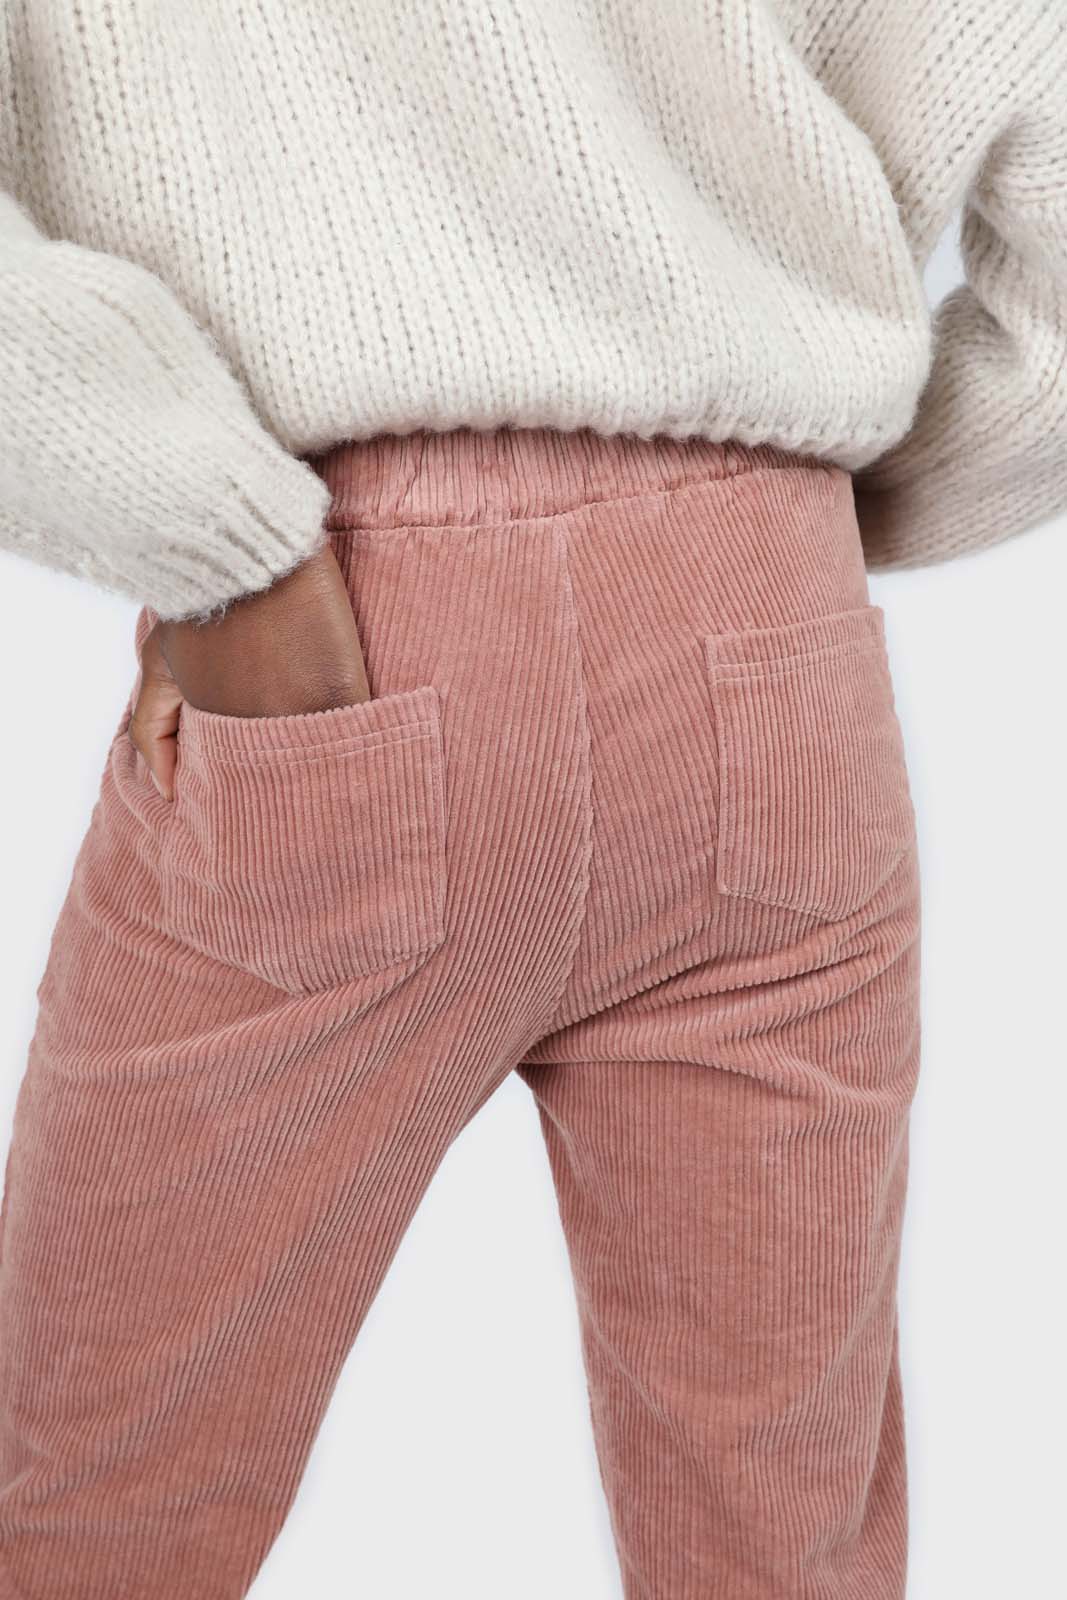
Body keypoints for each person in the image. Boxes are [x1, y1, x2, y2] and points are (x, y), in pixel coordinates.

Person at [0, 4, 1063, 1597]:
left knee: (87, 1516)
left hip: (340, 631)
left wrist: (207, 530)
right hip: (763, 644)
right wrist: (782, 527)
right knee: (783, 1553)